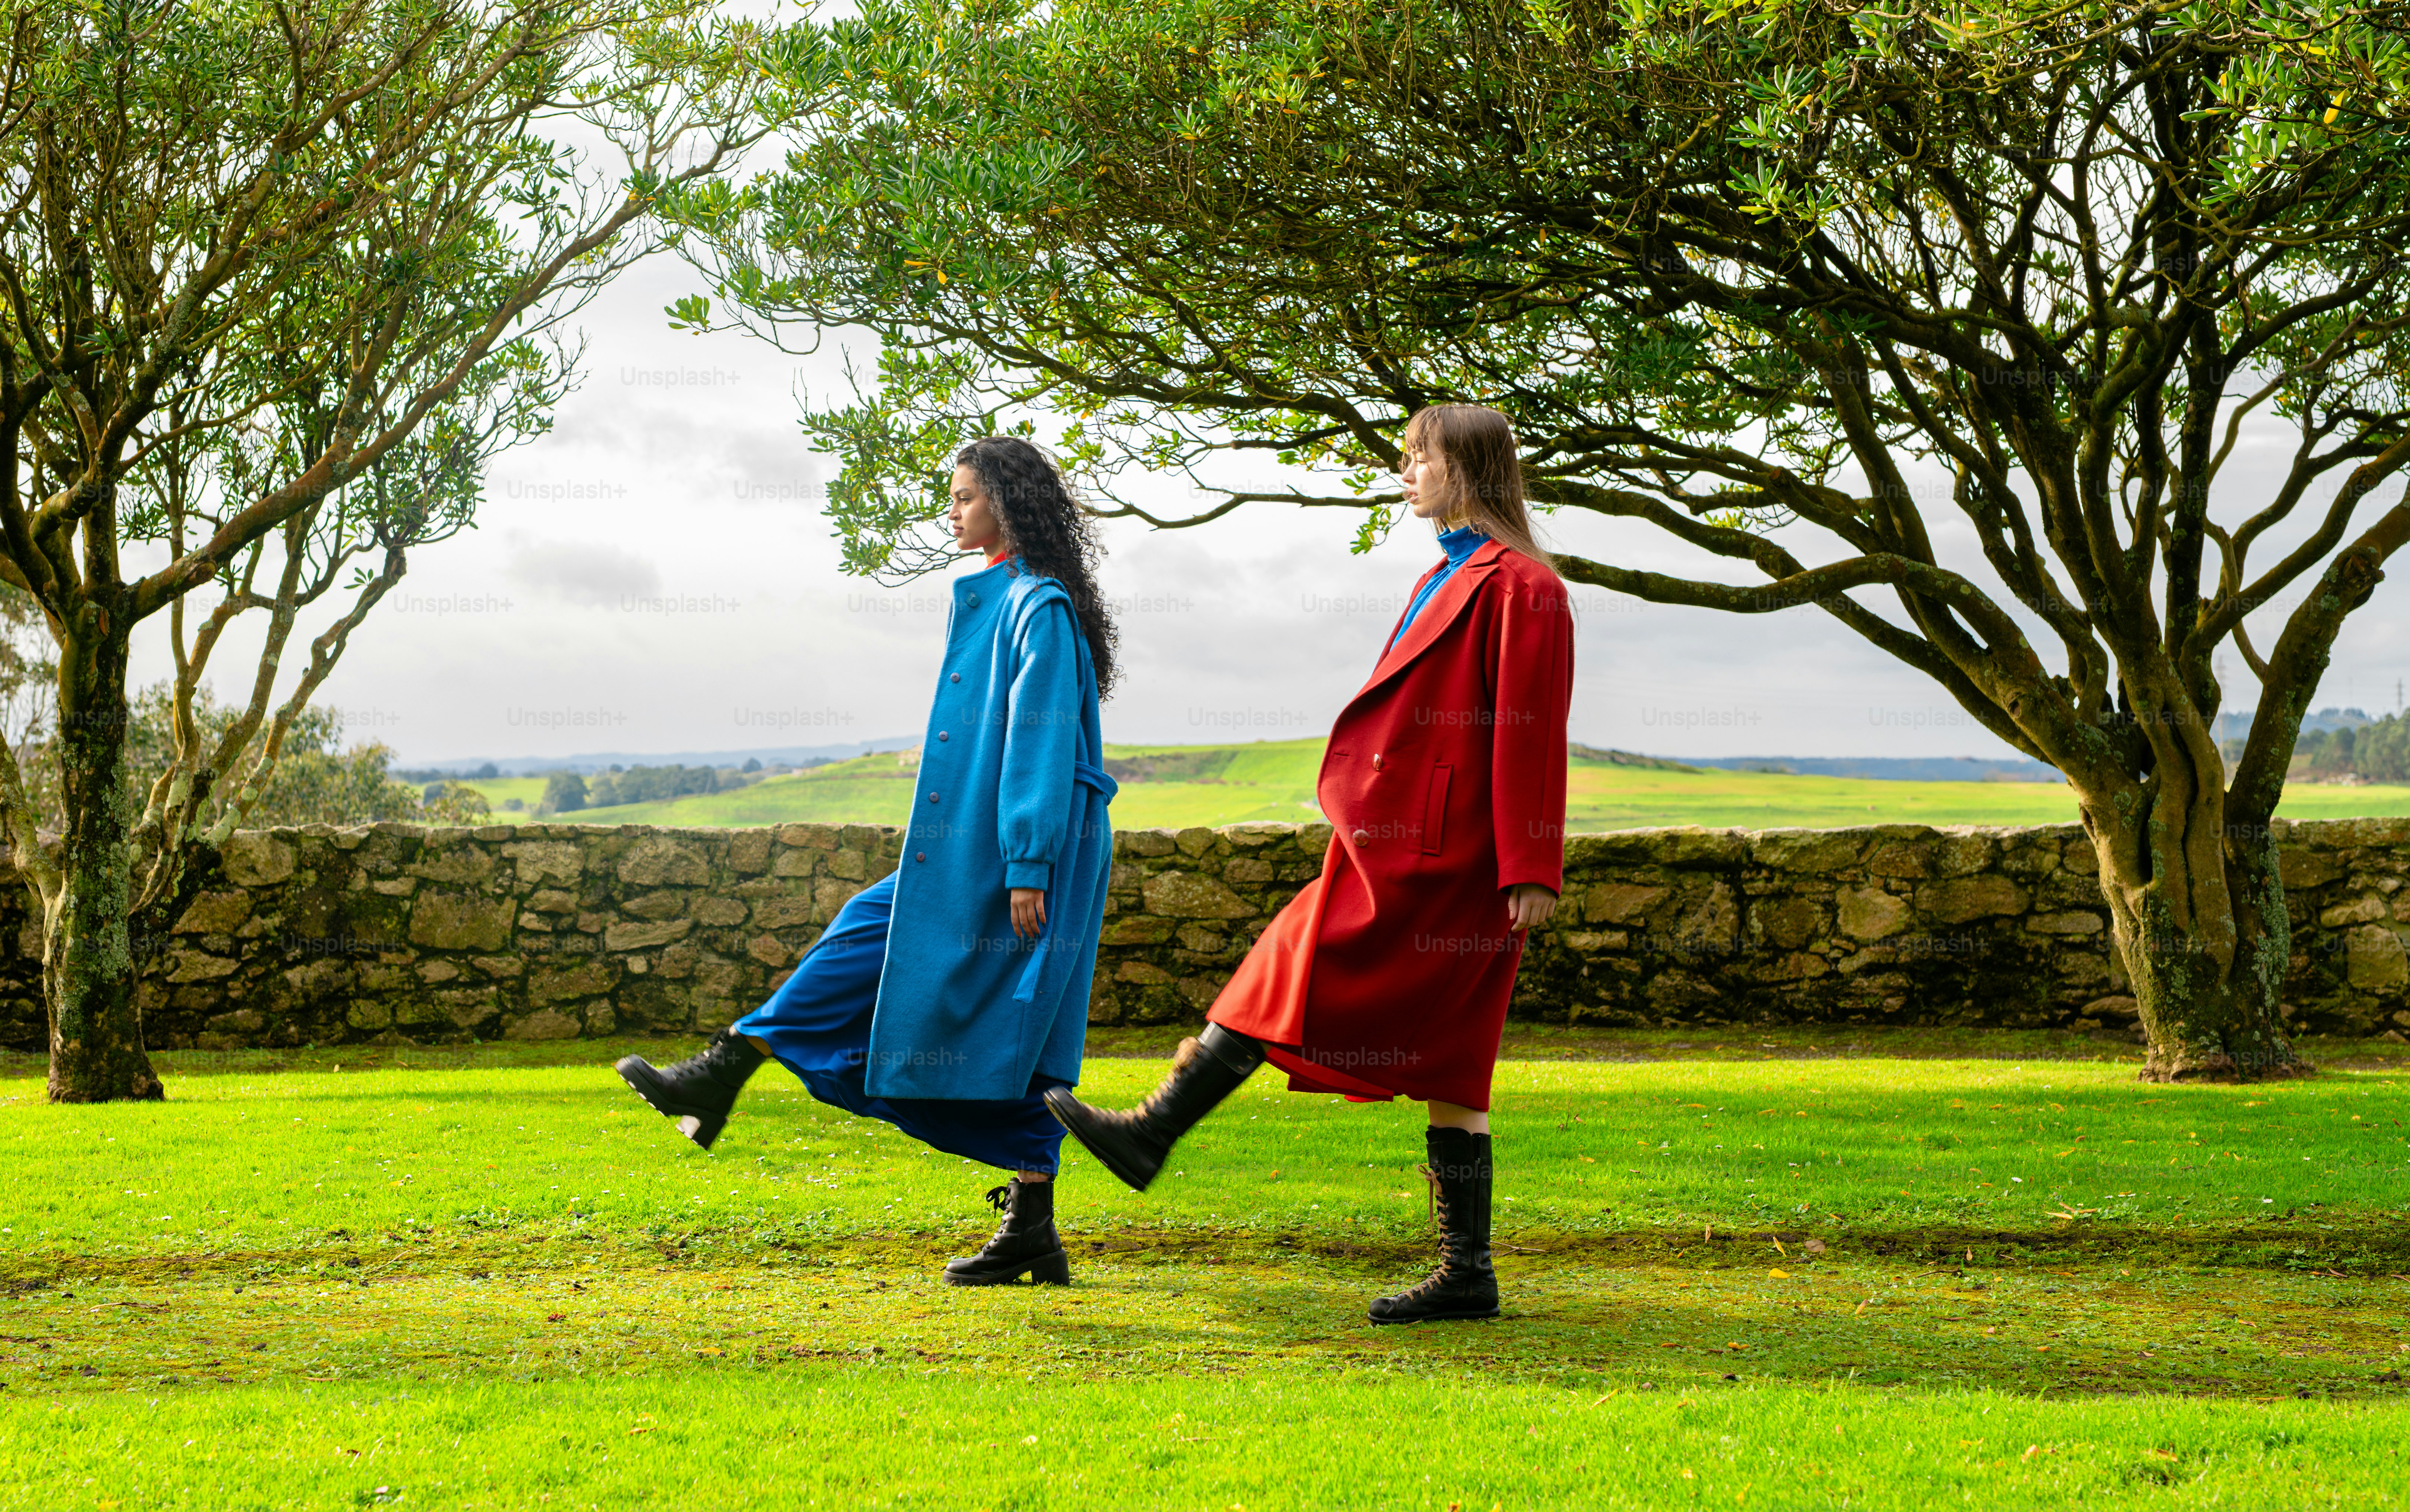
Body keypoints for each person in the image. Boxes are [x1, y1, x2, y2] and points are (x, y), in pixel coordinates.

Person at [1047, 404, 1572, 1324]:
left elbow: (1532, 734)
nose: (1406, 471)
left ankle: (1154, 1129)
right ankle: (1469, 1271)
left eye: (1422, 458)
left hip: (1448, 858)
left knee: (1294, 966)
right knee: (1451, 1057)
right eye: (1407, 457)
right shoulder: (1445, 575)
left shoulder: (1522, 586)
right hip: (1402, 839)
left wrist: (1530, 864)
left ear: (1472, 471)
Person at [616, 435, 1119, 1287]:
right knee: (877, 941)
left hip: (1020, 852)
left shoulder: (1040, 608)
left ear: (1007, 500)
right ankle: (730, 1066)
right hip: (978, 845)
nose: (951, 511)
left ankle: (726, 1069)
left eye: (964, 497)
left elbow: (1038, 742)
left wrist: (1028, 863)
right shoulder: (1004, 598)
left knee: (1012, 1030)